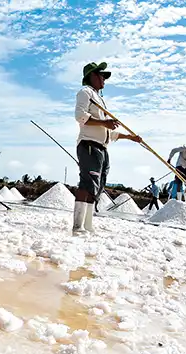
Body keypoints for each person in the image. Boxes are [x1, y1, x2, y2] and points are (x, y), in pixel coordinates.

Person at [72, 62, 141, 235]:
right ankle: (77, 226)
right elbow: (80, 116)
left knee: (96, 186)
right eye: (102, 75)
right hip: (89, 145)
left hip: (102, 149)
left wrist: (130, 137)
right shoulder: (85, 92)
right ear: (92, 76)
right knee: (87, 183)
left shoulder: (99, 98)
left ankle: (87, 225)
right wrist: (105, 123)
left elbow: (108, 133)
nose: (104, 79)